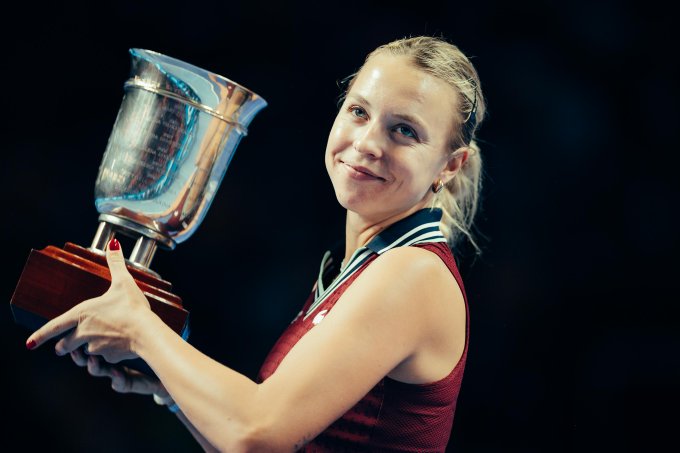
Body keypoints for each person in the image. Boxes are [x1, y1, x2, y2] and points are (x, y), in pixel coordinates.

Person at [26, 35, 486, 452]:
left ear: (450, 165)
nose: (367, 142)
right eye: (359, 112)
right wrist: (170, 389)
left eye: (404, 131)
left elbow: (259, 434)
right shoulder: (358, 267)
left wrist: (141, 330)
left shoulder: (413, 273)